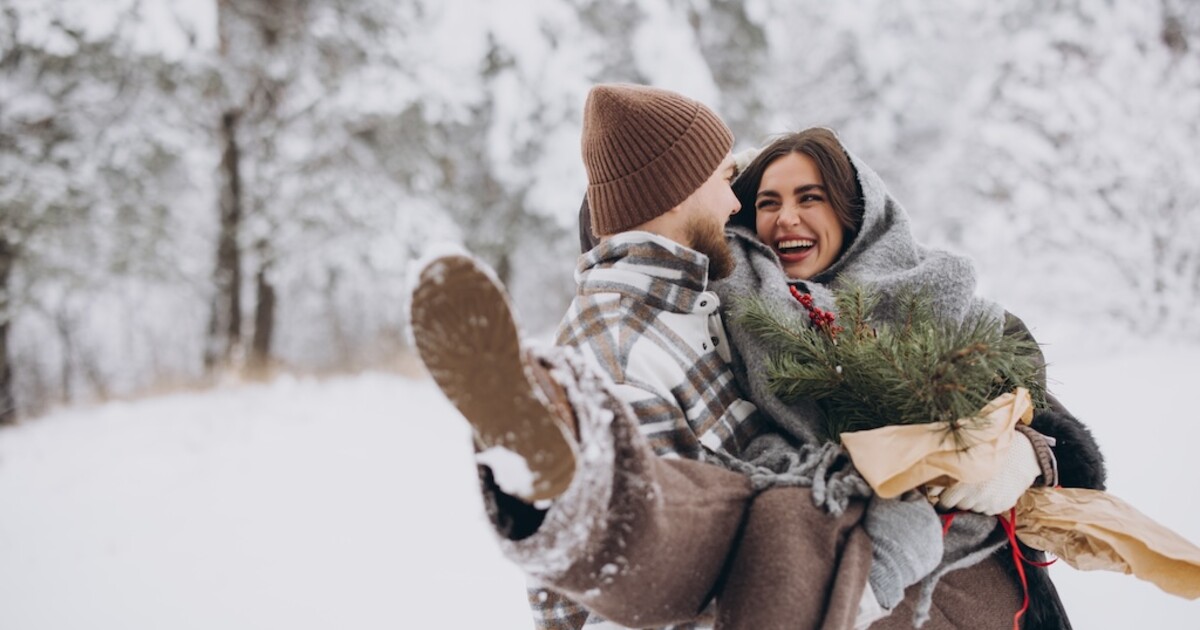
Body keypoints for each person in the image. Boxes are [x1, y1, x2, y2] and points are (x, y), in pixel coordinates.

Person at [411, 84, 947, 630]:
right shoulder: (625, 353)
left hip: (776, 555)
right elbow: (646, 608)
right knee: (645, 526)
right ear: (674, 193)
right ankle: (557, 455)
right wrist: (870, 574)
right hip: (760, 602)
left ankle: (559, 440)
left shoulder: (698, 306)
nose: (735, 202)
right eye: (722, 179)